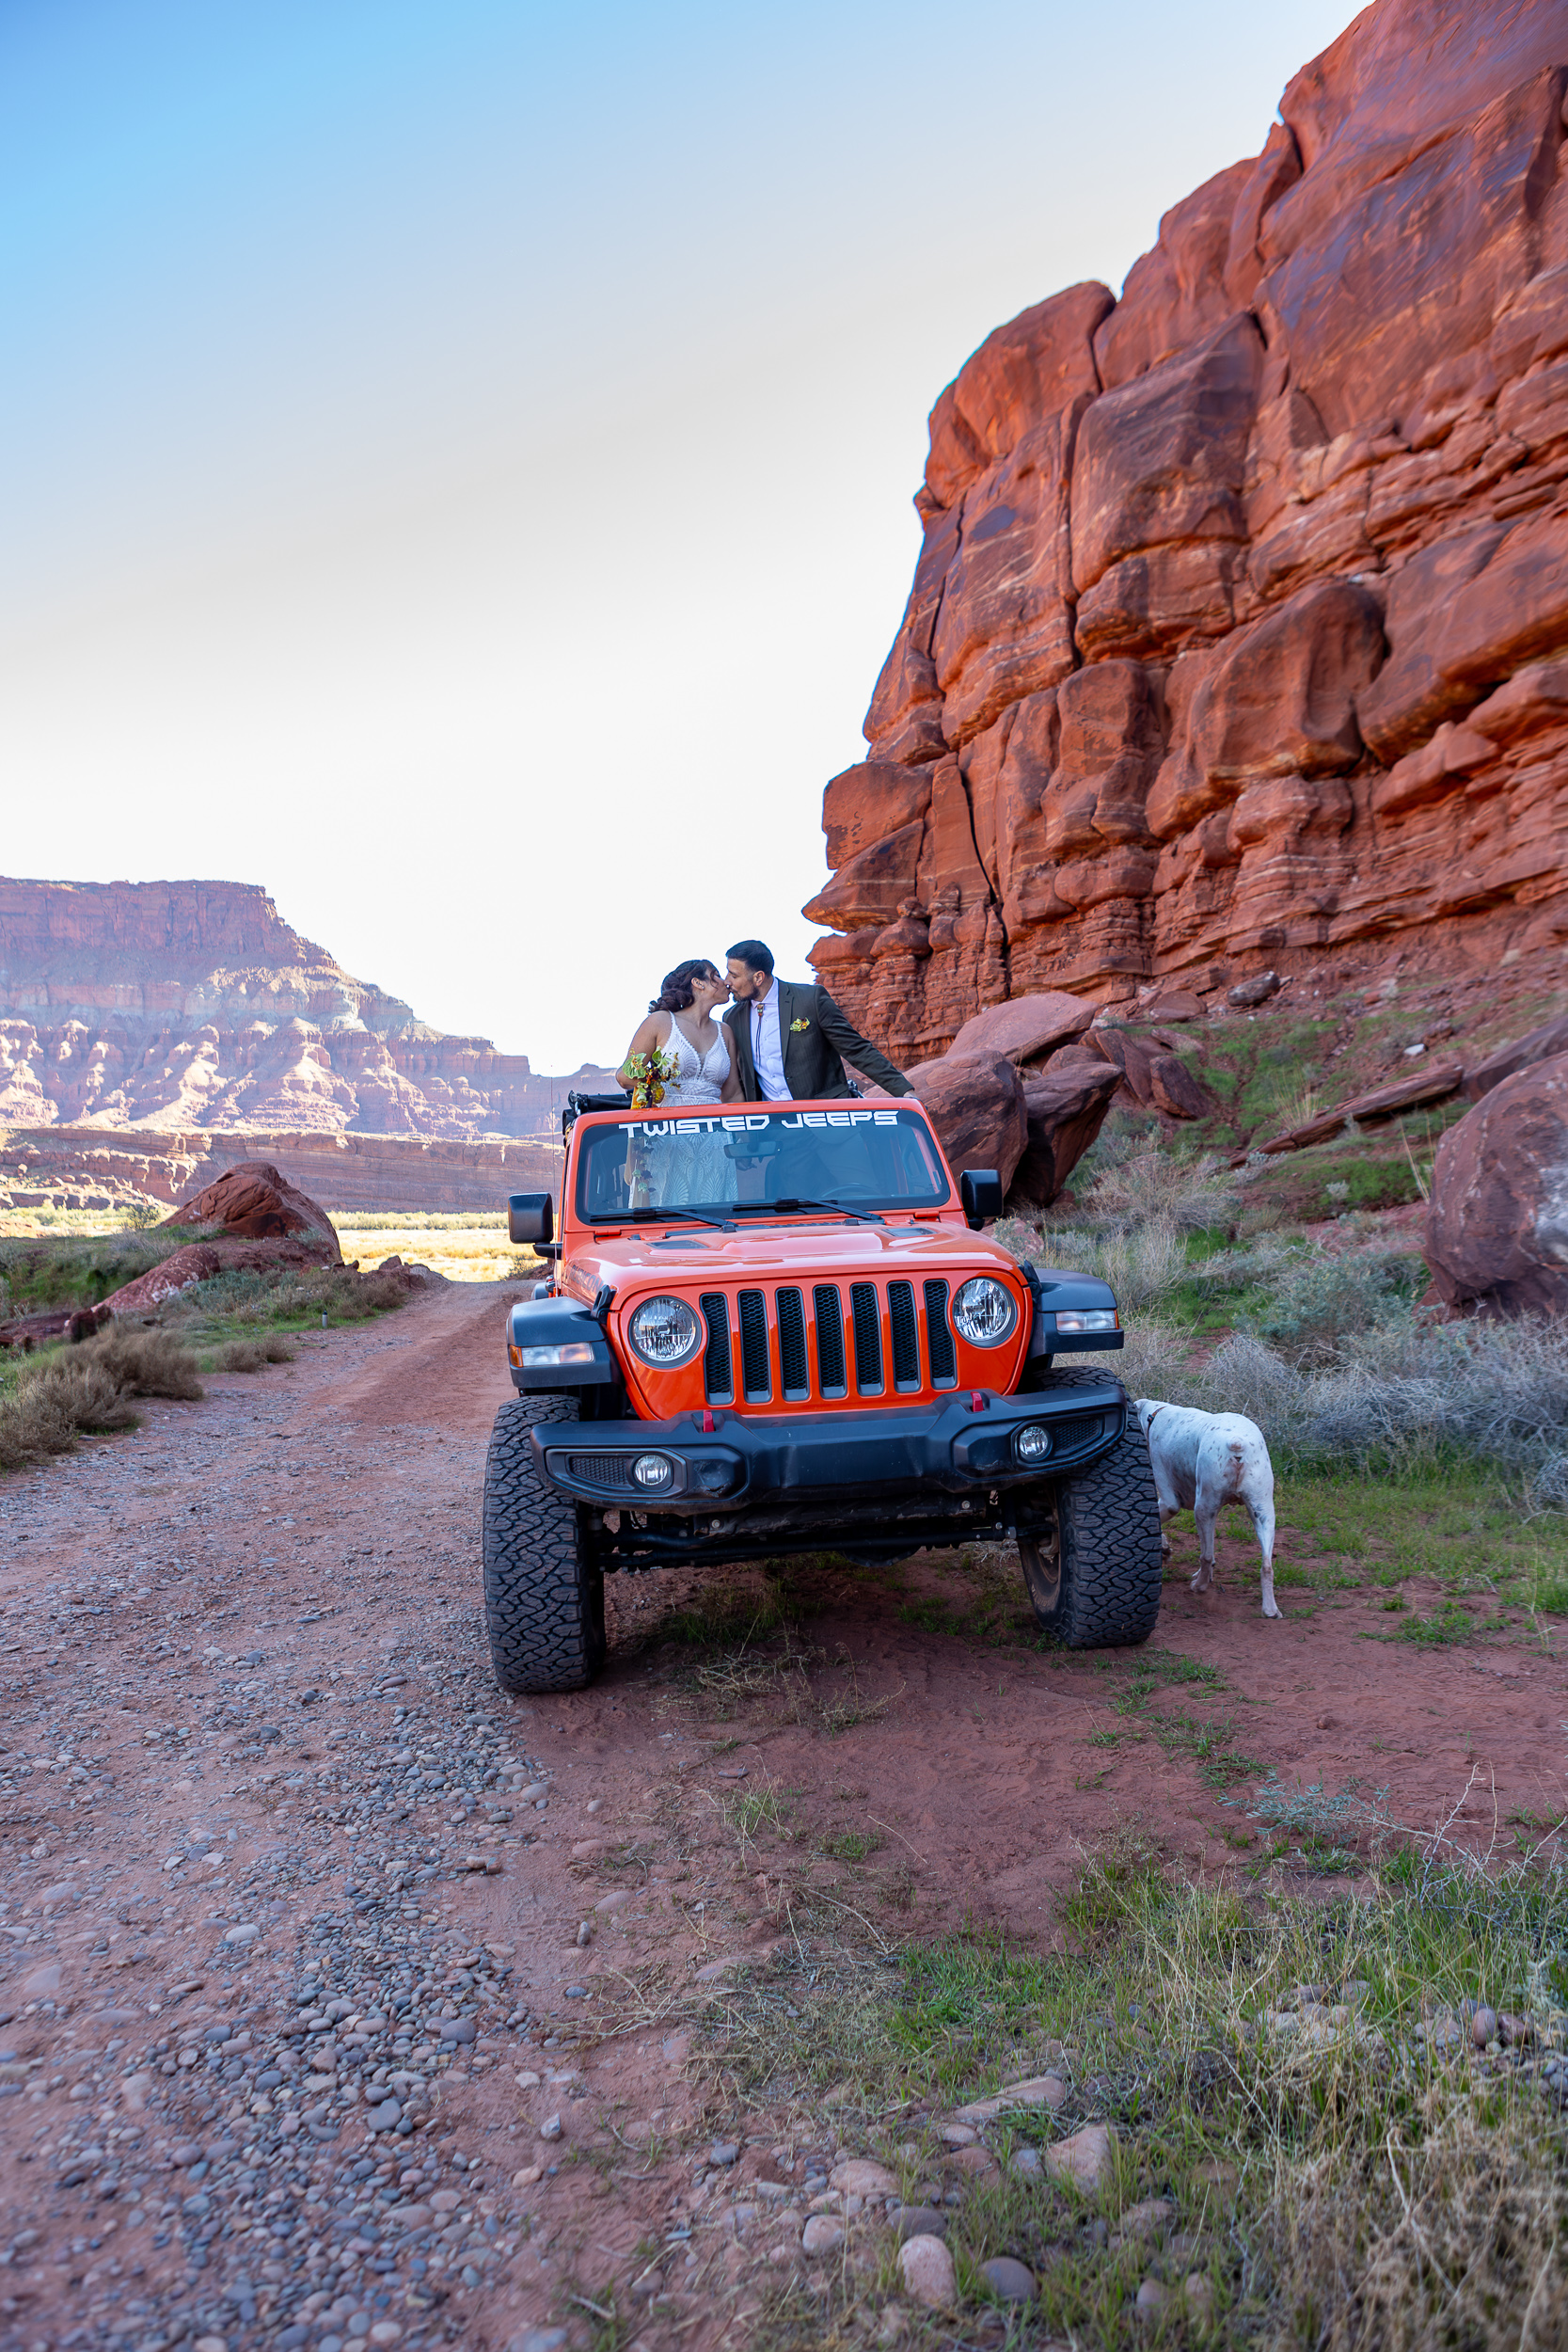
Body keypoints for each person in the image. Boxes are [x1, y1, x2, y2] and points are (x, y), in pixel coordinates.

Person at [616, 959, 742, 1205]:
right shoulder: (661, 1022)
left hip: (715, 1140)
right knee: (666, 1211)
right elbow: (624, 1075)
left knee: (714, 1213)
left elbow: (734, 1094)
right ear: (698, 983)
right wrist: (652, 1078)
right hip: (666, 1136)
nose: (725, 981)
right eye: (715, 975)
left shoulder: (725, 1031)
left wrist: (741, 1140)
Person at [722, 939, 911, 1103]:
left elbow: (856, 1049)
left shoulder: (809, 999)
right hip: (772, 1130)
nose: (726, 981)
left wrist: (904, 1091)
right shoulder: (732, 1018)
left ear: (758, 978)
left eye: (734, 975)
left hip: (826, 1123)